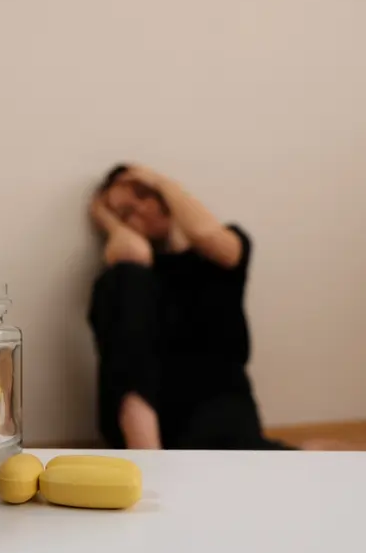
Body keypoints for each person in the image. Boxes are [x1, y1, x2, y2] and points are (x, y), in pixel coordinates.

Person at [88, 163, 293, 450]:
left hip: (220, 412)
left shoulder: (220, 256)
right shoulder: (134, 274)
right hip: (153, 423)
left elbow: (207, 236)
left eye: (144, 195)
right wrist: (106, 218)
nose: (141, 211)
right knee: (122, 278)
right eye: (127, 214)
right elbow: (133, 253)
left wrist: (159, 180)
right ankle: (147, 458)